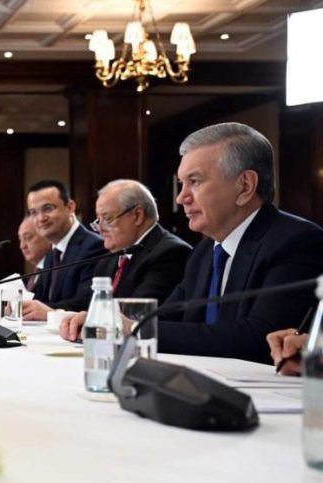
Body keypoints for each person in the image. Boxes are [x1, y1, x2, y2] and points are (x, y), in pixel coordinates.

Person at [67, 123, 323, 364]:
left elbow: (256, 338)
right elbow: (166, 316)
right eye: (182, 184)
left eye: (195, 181)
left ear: (245, 186)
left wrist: (133, 328)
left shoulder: (295, 242)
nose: (181, 198)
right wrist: (104, 320)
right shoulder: (205, 251)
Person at [57, 180, 192, 338]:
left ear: (137, 215)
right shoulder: (111, 257)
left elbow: (137, 314)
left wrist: (95, 320)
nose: (100, 229)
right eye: (98, 221)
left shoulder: (170, 253)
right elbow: (87, 305)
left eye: (107, 219)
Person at [21, 179, 105, 319]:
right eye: (33, 212)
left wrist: (49, 312)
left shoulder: (94, 246)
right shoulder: (52, 252)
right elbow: (41, 300)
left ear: (70, 207)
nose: (41, 218)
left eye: (48, 208)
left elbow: (86, 303)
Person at [17, 216, 51, 292]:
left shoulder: (55, 271)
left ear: (47, 236)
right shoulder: (36, 273)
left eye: (28, 237)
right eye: (20, 240)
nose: (22, 246)